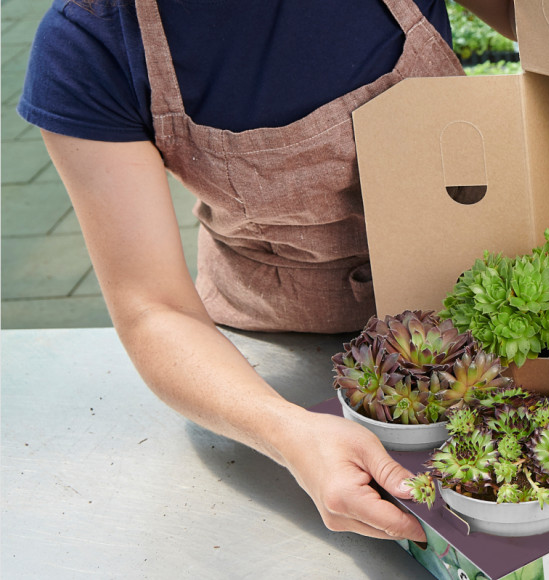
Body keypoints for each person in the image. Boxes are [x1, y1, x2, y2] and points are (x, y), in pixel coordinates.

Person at [18, 0, 517, 542]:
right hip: (281, 347)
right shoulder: (90, 45)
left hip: (488, 309)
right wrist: (291, 433)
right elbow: (152, 307)